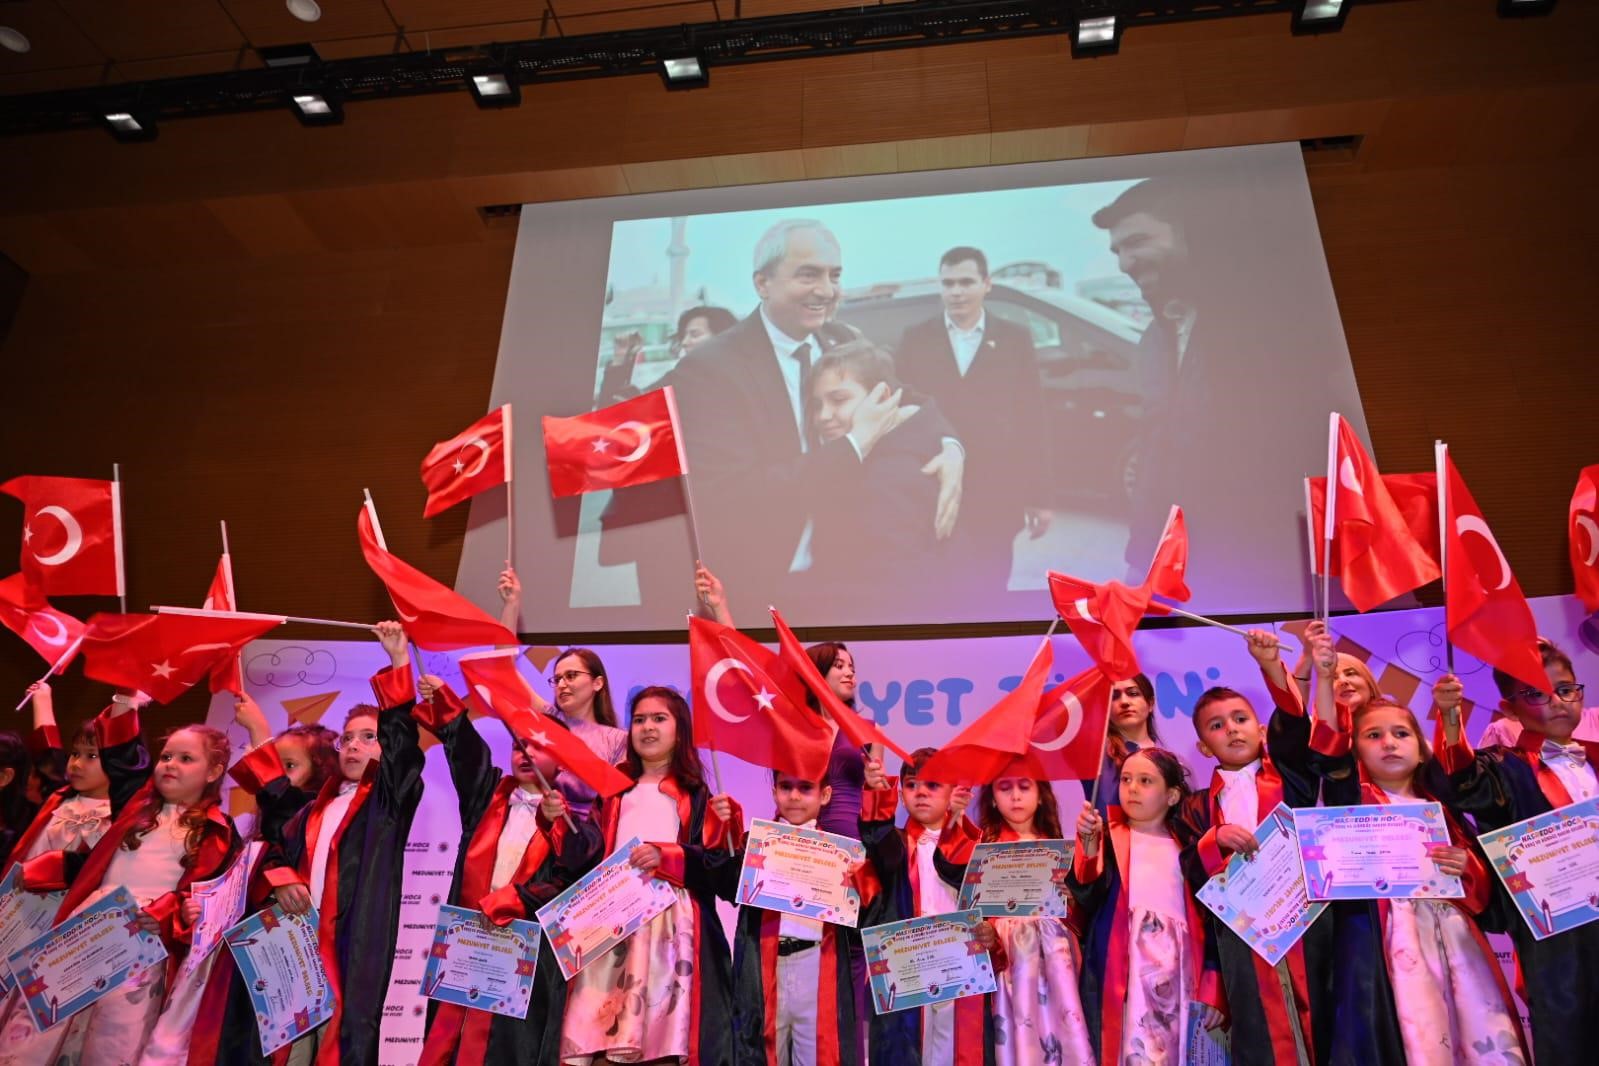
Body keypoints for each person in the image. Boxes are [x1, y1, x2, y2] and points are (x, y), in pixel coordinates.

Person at [638, 218, 965, 617]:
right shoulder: (710, 369)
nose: (825, 291)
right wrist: (854, 445)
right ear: (762, 284)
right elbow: (734, 492)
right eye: (808, 275)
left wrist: (951, 447)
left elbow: (908, 398)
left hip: (847, 576)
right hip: (763, 588)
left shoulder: (842, 339)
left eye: (834, 276)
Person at [1303, 632, 1527, 1066]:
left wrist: (1468, 867)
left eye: (1401, 733)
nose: (1389, 743)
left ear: (1420, 747)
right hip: (1386, 941)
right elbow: (1328, 754)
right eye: (1373, 735)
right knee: (1412, 1037)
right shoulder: (1352, 804)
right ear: (1355, 751)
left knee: (1474, 1034)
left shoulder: (1439, 807)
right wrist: (1325, 679)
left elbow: (1481, 888)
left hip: (1455, 942)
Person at [1, 695, 238, 1066]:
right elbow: (124, 759)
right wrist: (126, 700)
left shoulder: (216, 831)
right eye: (166, 757)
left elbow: (203, 895)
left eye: (186, 759)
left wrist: (166, 914)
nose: (170, 765)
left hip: (140, 941)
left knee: (114, 1038)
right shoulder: (135, 806)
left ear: (213, 772)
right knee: (44, 1025)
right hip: (89, 925)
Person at [412, 675, 603, 1066]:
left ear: (561, 759)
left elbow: (575, 881)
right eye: (518, 745)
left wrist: (520, 896)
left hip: (525, 959)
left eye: (535, 744)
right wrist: (445, 702)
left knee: (509, 1049)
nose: (523, 753)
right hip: (467, 947)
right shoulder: (491, 796)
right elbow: (467, 753)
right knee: (448, 1039)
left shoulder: (581, 815)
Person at [257, 621, 424, 1066]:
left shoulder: (387, 802)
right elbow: (274, 844)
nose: (353, 746)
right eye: (348, 737)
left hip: (351, 943)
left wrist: (399, 663)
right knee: (290, 1051)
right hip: (297, 948)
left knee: (344, 1040)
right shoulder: (313, 809)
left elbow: (404, 748)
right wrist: (283, 879)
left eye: (368, 738)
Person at [560, 687, 744, 1065]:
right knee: (599, 1037)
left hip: (670, 929)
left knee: (661, 1038)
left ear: (680, 730)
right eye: (640, 719)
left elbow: (721, 874)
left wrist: (671, 855)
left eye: (659, 719)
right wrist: (556, 821)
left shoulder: (696, 794)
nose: (647, 727)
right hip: (612, 922)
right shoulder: (613, 790)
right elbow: (584, 856)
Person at [1436, 637, 1596, 1065]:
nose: (1557, 702)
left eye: (1566, 689)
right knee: (1569, 1031)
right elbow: (1462, 784)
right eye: (1536, 694)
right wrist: (1451, 716)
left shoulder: (1596, 758)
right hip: (1556, 931)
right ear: (1509, 707)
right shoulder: (1502, 766)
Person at [1173, 674, 1329, 1066]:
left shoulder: (1292, 778)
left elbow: (1295, 727)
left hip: (1310, 924)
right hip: (1242, 937)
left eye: (1240, 719)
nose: (1231, 729)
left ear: (1261, 730)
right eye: (1217, 725)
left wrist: (1276, 667)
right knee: (1260, 1031)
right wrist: (1215, 839)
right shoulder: (1196, 807)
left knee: (1326, 1019)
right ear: (1203, 747)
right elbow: (1190, 868)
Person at [182, 696, 339, 1066]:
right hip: (251, 954)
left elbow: (281, 806)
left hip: (295, 958)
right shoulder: (252, 830)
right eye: (277, 766)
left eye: (290, 766)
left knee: (288, 1049)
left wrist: (259, 733)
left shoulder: (316, 821)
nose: (278, 776)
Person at [894, 246, 1053, 596]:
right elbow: (902, 416)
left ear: (987, 284)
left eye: (966, 282)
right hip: (933, 485)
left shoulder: (1014, 339)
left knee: (991, 583)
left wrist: (1039, 496)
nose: (956, 292)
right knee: (936, 585)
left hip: (997, 489)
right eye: (948, 283)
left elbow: (1032, 419)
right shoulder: (916, 339)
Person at [1070, 749, 1224, 1066]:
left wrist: (1213, 987)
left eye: (1145, 780)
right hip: (1123, 978)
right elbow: (1086, 897)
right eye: (1126, 779)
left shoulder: (1192, 847)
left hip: (1179, 976)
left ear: (1172, 795)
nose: (1133, 788)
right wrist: (1087, 846)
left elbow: (1213, 921)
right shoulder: (1110, 839)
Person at [860, 747, 1000, 1065]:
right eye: (911, 785)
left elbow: (986, 904)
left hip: (959, 964)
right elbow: (876, 839)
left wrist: (992, 933)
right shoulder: (894, 844)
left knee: (956, 1049)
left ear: (953, 791)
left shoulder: (974, 845)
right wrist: (874, 793)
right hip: (908, 966)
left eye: (933, 785)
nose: (920, 792)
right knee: (905, 1049)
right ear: (900, 792)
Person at [732, 769, 874, 1066]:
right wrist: (727, 833)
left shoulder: (841, 853)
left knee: (818, 1056)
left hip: (816, 965)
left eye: (805, 787)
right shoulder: (754, 843)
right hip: (767, 966)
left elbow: (863, 918)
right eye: (785, 787)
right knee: (763, 1052)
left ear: (825, 795)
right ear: (774, 792)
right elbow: (723, 883)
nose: (794, 796)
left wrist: (858, 884)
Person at [806, 341, 948, 599]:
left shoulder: (886, 475)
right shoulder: (913, 440)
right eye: (817, 405)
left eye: (838, 400)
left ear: (881, 398)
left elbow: (891, 580)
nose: (823, 416)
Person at [976, 757, 1094, 1066]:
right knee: (1019, 1031)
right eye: (1005, 788)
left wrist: (1071, 901)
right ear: (991, 797)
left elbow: (1081, 919)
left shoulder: (1057, 848)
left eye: (1024, 787)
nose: (1015, 796)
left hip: (1056, 956)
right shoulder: (983, 849)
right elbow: (974, 911)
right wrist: (988, 934)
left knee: (1064, 1026)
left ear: (1041, 794)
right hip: (1012, 956)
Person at [1091, 673, 1163, 813]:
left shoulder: (1175, 763)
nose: (1124, 701)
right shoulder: (1094, 756)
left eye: (1133, 693)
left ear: (1151, 704)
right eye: (1114, 696)